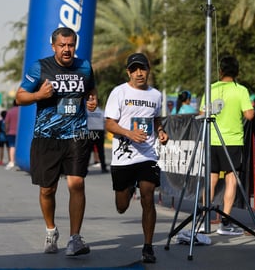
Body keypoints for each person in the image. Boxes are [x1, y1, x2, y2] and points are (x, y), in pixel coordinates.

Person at [15, 27, 97, 256]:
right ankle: (51, 230)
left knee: (76, 183)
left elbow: (91, 90)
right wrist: (37, 96)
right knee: (47, 189)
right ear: (53, 46)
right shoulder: (40, 67)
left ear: (75, 45)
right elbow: (19, 97)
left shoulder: (85, 67)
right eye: (62, 45)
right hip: (47, 137)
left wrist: (92, 101)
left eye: (70, 45)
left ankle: (75, 239)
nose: (67, 49)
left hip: (77, 135)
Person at [104, 53, 169, 263]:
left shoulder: (156, 95)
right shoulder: (119, 92)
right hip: (124, 157)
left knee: (148, 195)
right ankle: (129, 188)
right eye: (134, 69)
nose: (139, 73)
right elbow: (109, 124)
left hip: (147, 155)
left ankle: (148, 247)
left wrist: (160, 131)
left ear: (148, 70)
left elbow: (156, 119)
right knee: (121, 206)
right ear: (128, 72)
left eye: (142, 69)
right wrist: (129, 133)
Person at [199, 55, 254, 236]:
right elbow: (249, 115)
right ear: (236, 72)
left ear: (220, 71)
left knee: (212, 179)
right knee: (231, 179)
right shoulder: (241, 90)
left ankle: (203, 220)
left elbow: (201, 112)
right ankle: (225, 222)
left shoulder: (210, 88)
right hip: (232, 141)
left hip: (212, 139)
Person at [87, 106, 108, 173]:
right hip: (99, 131)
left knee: (88, 151)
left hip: (90, 131)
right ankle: (103, 167)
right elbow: (105, 122)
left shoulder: (86, 111)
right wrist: (105, 132)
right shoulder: (102, 111)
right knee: (101, 151)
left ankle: (85, 168)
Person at [4, 100, 19, 170]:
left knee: (12, 146)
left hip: (11, 132)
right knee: (19, 147)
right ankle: (19, 161)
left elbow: (7, 123)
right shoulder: (21, 111)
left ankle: (12, 161)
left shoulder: (10, 111)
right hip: (20, 133)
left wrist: (6, 131)